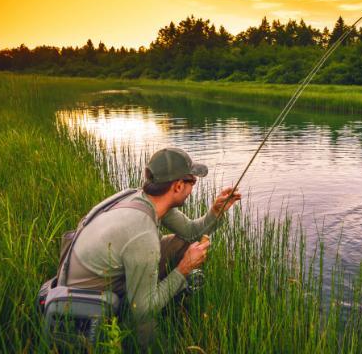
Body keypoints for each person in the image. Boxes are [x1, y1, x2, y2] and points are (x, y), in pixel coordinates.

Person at [63, 147, 241, 347]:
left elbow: (191, 233)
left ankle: (165, 298)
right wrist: (184, 269)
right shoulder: (142, 234)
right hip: (89, 300)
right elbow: (142, 309)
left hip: (101, 274)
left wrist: (216, 212)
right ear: (178, 186)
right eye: (192, 181)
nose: (193, 187)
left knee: (183, 242)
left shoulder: (143, 198)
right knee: (147, 320)